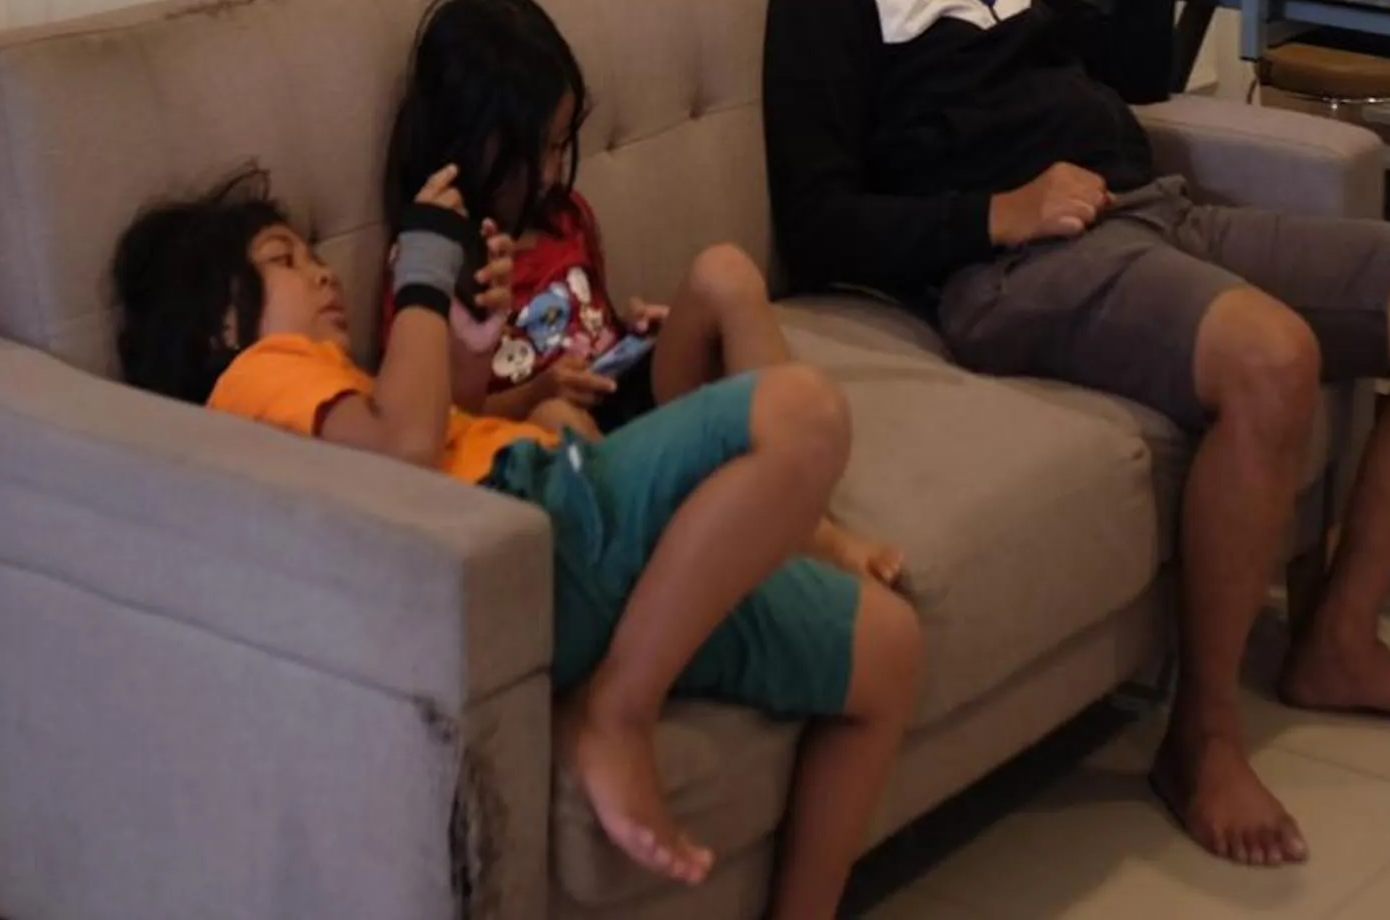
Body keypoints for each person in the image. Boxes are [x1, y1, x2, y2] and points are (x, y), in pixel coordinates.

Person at [762, 0, 1390, 869]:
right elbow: (817, 220)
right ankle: (1201, 737)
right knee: (1269, 355)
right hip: (1017, 265)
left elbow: (1139, 65)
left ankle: (1338, 636)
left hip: (1152, 214)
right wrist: (995, 213)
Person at [111, 164, 921, 915]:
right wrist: (421, 279)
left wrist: (467, 343)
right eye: (286, 260)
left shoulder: (334, 384)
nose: (324, 273)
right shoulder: (253, 375)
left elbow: (440, 431)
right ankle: (617, 708)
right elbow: (406, 455)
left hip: (568, 538)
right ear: (221, 319)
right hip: (545, 530)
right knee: (800, 413)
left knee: (887, 648)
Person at [381, 0, 905, 587]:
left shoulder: (564, 214)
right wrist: (537, 390)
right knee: (557, 415)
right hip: (546, 439)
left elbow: (590, 318)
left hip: (624, 390)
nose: (555, 171)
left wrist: (635, 327)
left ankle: (804, 507)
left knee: (724, 271)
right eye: (541, 151)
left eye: (560, 145)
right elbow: (442, 418)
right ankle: (709, 544)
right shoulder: (431, 258)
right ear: (481, 144)